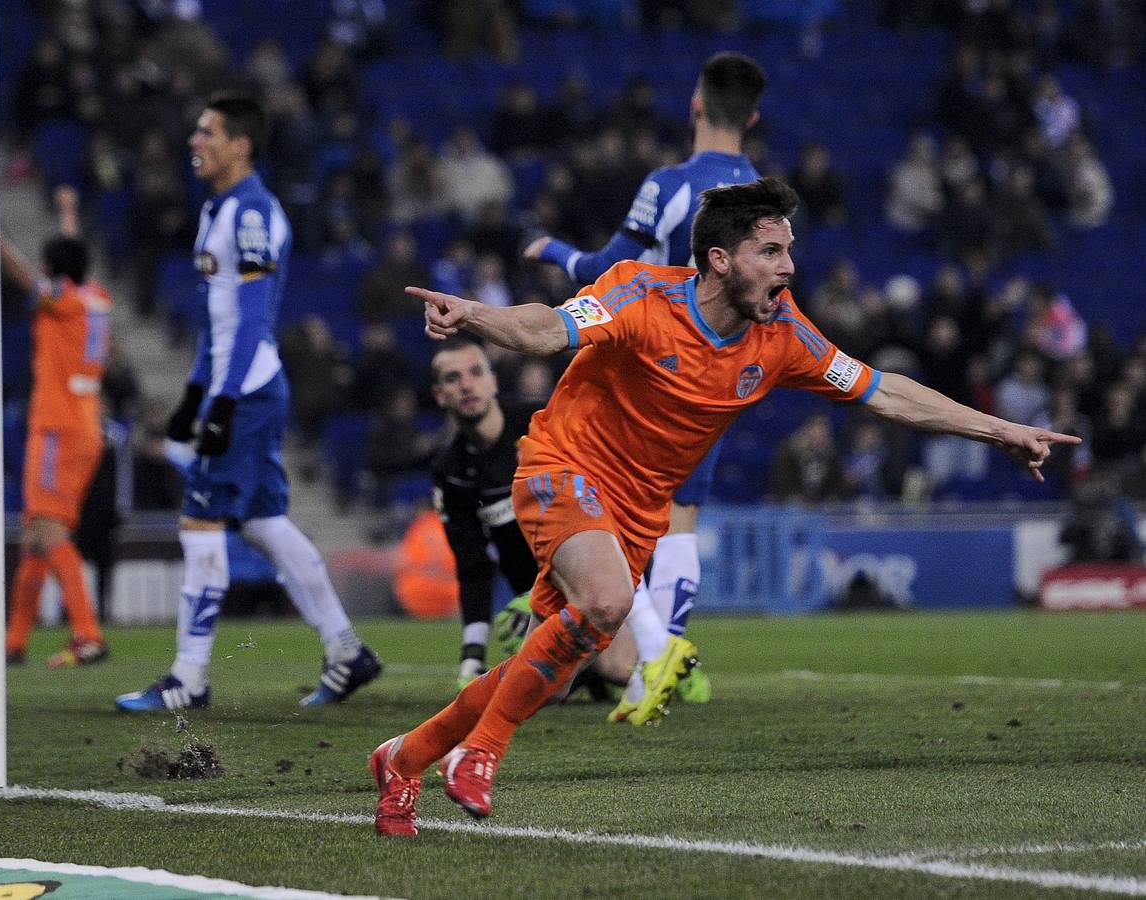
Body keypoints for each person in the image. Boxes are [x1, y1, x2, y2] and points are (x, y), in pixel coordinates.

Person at [370, 177, 1079, 834]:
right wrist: (475, 315)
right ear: (718, 259)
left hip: (641, 513)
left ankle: (406, 756)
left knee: (552, 675)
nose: (788, 268)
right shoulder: (641, 296)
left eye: (789, 251)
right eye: (770, 252)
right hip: (564, 467)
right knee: (609, 602)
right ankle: (479, 754)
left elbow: (884, 390)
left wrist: (1000, 429)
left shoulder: (785, 337)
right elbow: (547, 328)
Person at [116, 92, 382, 712]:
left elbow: (257, 315)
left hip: (251, 389)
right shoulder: (217, 209)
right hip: (238, 385)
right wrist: (192, 391)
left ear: (241, 144)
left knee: (200, 521)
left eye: (207, 132)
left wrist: (226, 402)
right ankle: (346, 650)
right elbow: (220, 318)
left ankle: (189, 678)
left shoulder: (253, 211)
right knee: (264, 523)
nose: (194, 142)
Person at [523, 51, 768, 721]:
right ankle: (656, 668)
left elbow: (609, 265)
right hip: (718, 373)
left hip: (647, 369)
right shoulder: (765, 199)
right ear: (752, 116)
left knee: (614, 514)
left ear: (695, 105)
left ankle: (644, 658)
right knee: (681, 519)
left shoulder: (666, 185)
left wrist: (551, 252)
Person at [429, 337, 635, 692]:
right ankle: (584, 669)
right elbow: (473, 567)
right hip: (539, 598)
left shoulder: (541, 421)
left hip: (597, 568)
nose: (466, 385)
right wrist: (472, 657)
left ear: (493, 381)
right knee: (543, 684)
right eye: (452, 378)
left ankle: (662, 650)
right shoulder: (451, 472)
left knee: (619, 668)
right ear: (439, 395)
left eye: (475, 373)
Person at [2, 186, 113, 669]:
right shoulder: (96, 297)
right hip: (86, 427)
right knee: (35, 535)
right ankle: (13, 642)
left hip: (55, 429)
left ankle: (87, 633)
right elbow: (71, 260)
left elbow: (27, 276)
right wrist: (68, 211)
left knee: (48, 531)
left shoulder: (60, 301)